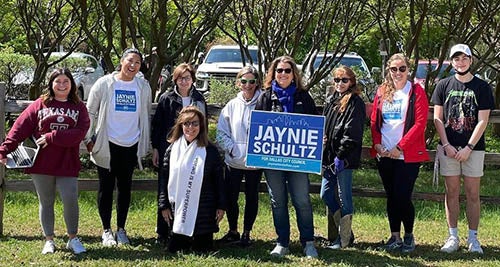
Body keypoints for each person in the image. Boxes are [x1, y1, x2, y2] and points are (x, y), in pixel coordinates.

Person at [0, 68, 90, 255]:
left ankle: (73, 238)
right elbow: (19, 129)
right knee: (46, 201)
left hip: (67, 162)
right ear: (51, 83)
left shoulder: (79, 107)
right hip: (41, 162)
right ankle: (49, 239)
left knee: (70, 199)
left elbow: (79, 133)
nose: (62, 85)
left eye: (66, 81)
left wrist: (53, 136)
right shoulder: (40, 104)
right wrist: (4, 150)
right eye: (58, 81)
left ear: (72, 84)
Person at [84, 48, 152, 246]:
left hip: (131, 144)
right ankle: (106, 230)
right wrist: (88, 139)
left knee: (125, 188)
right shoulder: (105, 83)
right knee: (105, 188)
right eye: (130, 61)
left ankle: (121, 229)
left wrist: (145, 142)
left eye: (137, 63)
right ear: (121, 61)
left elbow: (145, 113)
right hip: (107, 143)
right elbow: (90, 112)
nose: (133, 65)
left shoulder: (143, 87)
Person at [432, 44, 494, 254]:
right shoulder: (443, 85)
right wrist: (447, 144)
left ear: (471, 59)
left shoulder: (482, 87)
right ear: (451, 61)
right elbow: (437, 118)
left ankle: (473, 238)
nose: (460, 62)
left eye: (464, 58)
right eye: (456, 59)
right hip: (449, 146)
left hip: (473, 149)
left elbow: (483, 120)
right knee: (451, 192)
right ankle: (453, 236)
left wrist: (469, 147)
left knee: (473, 193)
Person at [255, 55, 319, 258]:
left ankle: (308, 242)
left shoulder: (304, 97)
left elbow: (315, 125)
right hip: (273, 161)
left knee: (302, 200)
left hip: (299, 161)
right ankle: (282, 242)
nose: (283, 74)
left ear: (294, 74)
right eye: (279, 70)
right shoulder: (265, 97)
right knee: (278, 201)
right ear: (273, 73)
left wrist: (320, 138)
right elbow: (257, 127)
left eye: (287, 70)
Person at [370, 53, 429, 253]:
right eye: (394, 69)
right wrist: (377, 144)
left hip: (407, 154)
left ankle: (409, 236)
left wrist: (400, 147)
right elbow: (374, 121)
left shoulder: (416, 91)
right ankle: (394, 236)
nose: (398, 73)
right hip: (385, 154)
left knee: (403, 196)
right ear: (389, 70)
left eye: (402, 68)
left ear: (408, 70)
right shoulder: (381, 91)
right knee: (391, 196)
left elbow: (420, 123)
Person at [151, 63, 207, 245]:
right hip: (170, 150)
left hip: (194, 149)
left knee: (190, 186)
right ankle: (163, 230)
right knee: (167, 188)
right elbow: (157, 126)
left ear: (193, 80)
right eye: (181, 78)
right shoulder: (166, 98)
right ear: (175, 80)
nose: (184, 81)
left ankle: (188, 228)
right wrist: (156, 149)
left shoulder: (199, 99)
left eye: (188, 78)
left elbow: (203, 123)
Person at [158, 106, 226, 253]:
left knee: (202, 249)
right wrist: (164, 205)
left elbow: (219, 181)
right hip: (179, 209)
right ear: (180, 125)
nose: (191, 127)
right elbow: (164, 178)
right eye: (186, 124)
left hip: (204, 212)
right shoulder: (172, 150)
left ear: (201, 126)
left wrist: (221, 206)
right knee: (176, 249)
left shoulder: (210, 151)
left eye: (195, 123)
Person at [216, 66, 263, 247]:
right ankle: (233, 230)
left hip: (255, 162)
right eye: (244, 81)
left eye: (252, 81)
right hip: (233, 162)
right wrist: (233, 149)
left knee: (252, 197)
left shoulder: (263, 103)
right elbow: (221, 133)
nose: (248, 85)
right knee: (230, 197)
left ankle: (247, 233)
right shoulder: (231, 105)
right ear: (238, 83)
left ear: (257, 83)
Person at [321, 66, 365, 249]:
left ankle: (344, 240)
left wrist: (341, 154)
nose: (340, 83)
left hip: (344, 158)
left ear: (351, 82)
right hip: (328, 157)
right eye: (337, 80)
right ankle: (346, 233)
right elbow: (324, 124)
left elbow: (352, 132)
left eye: (344, 80)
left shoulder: (356, 103)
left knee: (344, 196)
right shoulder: (332, 101)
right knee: (325, 194)